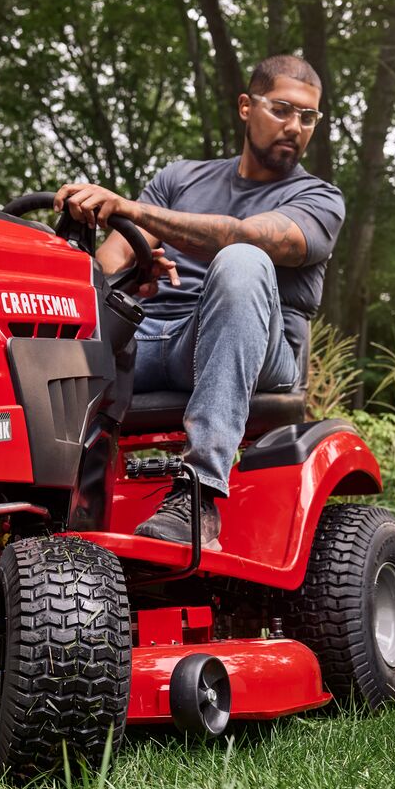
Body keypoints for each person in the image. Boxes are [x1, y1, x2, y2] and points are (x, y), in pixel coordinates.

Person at [54, 54, 345, 548]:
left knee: (242, 260)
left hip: (254, 354)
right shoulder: (178, 180)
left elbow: (248, 236)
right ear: (246, 107)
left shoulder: (319, 200)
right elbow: (102, 269)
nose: (295, 126)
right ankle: (34, 501)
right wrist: (118, 267)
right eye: (281, 109)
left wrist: (129, 207)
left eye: (308, 117)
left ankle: (198, 495)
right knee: (52, 311)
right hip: (144, 341)